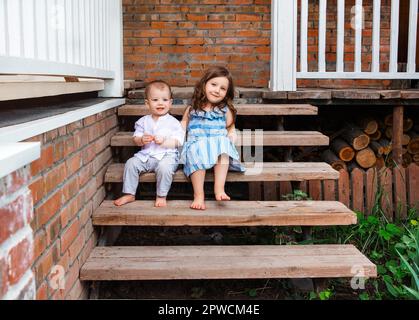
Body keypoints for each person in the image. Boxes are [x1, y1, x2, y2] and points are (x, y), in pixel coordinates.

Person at [180, 66, 245, 210]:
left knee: (223, 149)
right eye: (213, 84)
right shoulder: (192, 109)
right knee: (195, 152)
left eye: (222, 88)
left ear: (226, 93)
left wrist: (232, 134)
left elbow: (230, 126)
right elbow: (182, 127)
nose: (217, 90)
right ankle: (199, 195)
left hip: (216, 145)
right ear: (204, 84)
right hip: (197, 143)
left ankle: (219, 189)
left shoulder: (224, 110)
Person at [114, 80, 185, 207]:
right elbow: (136, 138)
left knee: (164, 168)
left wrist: (165, 142)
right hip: (147, 155)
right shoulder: (143, 121)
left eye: (164, 100)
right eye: (155, 100)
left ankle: (161, 195)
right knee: (131, 164)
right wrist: (141, 140)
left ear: (170, 102)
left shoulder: (173, 122)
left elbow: (178, 141)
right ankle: (129, 194)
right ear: (147, 103)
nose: (160, 103)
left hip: (167, 155)